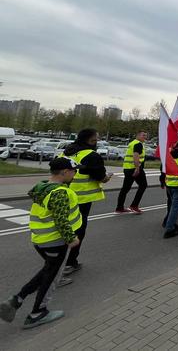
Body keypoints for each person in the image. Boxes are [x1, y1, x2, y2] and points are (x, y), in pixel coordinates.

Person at [0, 158, 81, 329]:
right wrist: (71, 238)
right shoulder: (60, 192)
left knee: (47, 270)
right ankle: (37, 313)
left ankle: (17, 299)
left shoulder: (43, 186)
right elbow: (60, 219)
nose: (76, 174)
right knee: (51, 278)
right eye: (74, 171)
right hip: (55, 242)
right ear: (65, 172)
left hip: (41, 240)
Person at [60, 128, 111, 275]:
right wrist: (107, 177)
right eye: (94, 140)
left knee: (63, 228)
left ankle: (58, 260)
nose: (97, 143)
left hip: (63, 196)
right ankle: (69, 263)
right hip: (81, 199)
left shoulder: (67, 152)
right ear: (88, 140)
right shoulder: (91, 155)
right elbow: (101, 177)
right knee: (78, 231)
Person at [116, 130, 148, 214]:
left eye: (145, 135)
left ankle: (119, 208)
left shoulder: (132, 143)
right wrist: (137, 168)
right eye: (143, 135)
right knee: (143, 185)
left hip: (127, 168)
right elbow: (136, 156)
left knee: (125, 188)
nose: (145, 137)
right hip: (135, 169)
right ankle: (134, 206)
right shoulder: (138, 144)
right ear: (137, 136)